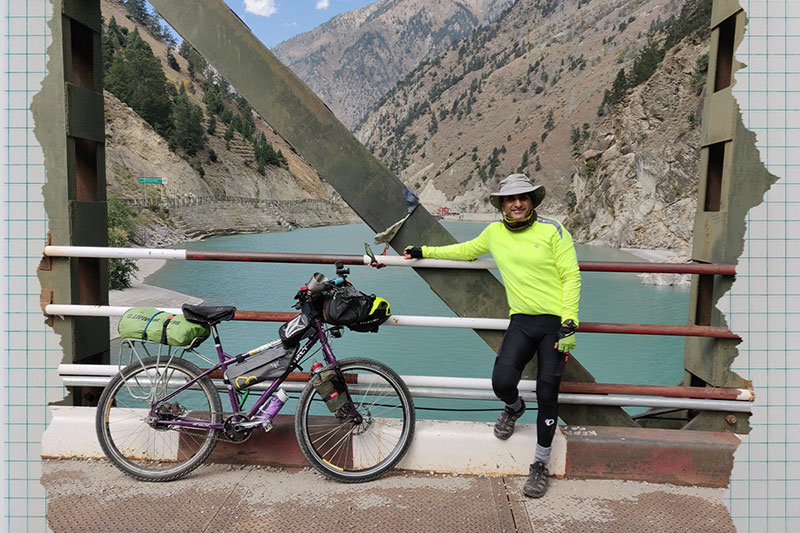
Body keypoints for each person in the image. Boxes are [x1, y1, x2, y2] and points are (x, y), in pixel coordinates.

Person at [404, 173, 580, 498]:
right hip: (522, 322)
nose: (516, 204)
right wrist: (423, 250)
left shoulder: (553, 230)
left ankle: (539, 465)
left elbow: (571, 276)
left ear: (532, 201)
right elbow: (465, 251)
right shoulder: (494, 233)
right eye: (510, 199)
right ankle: (514, 407)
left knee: (547, 395)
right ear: (501, 205)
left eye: (522, 198)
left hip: (556, 324)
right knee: (501, 382)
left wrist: (570, 322)